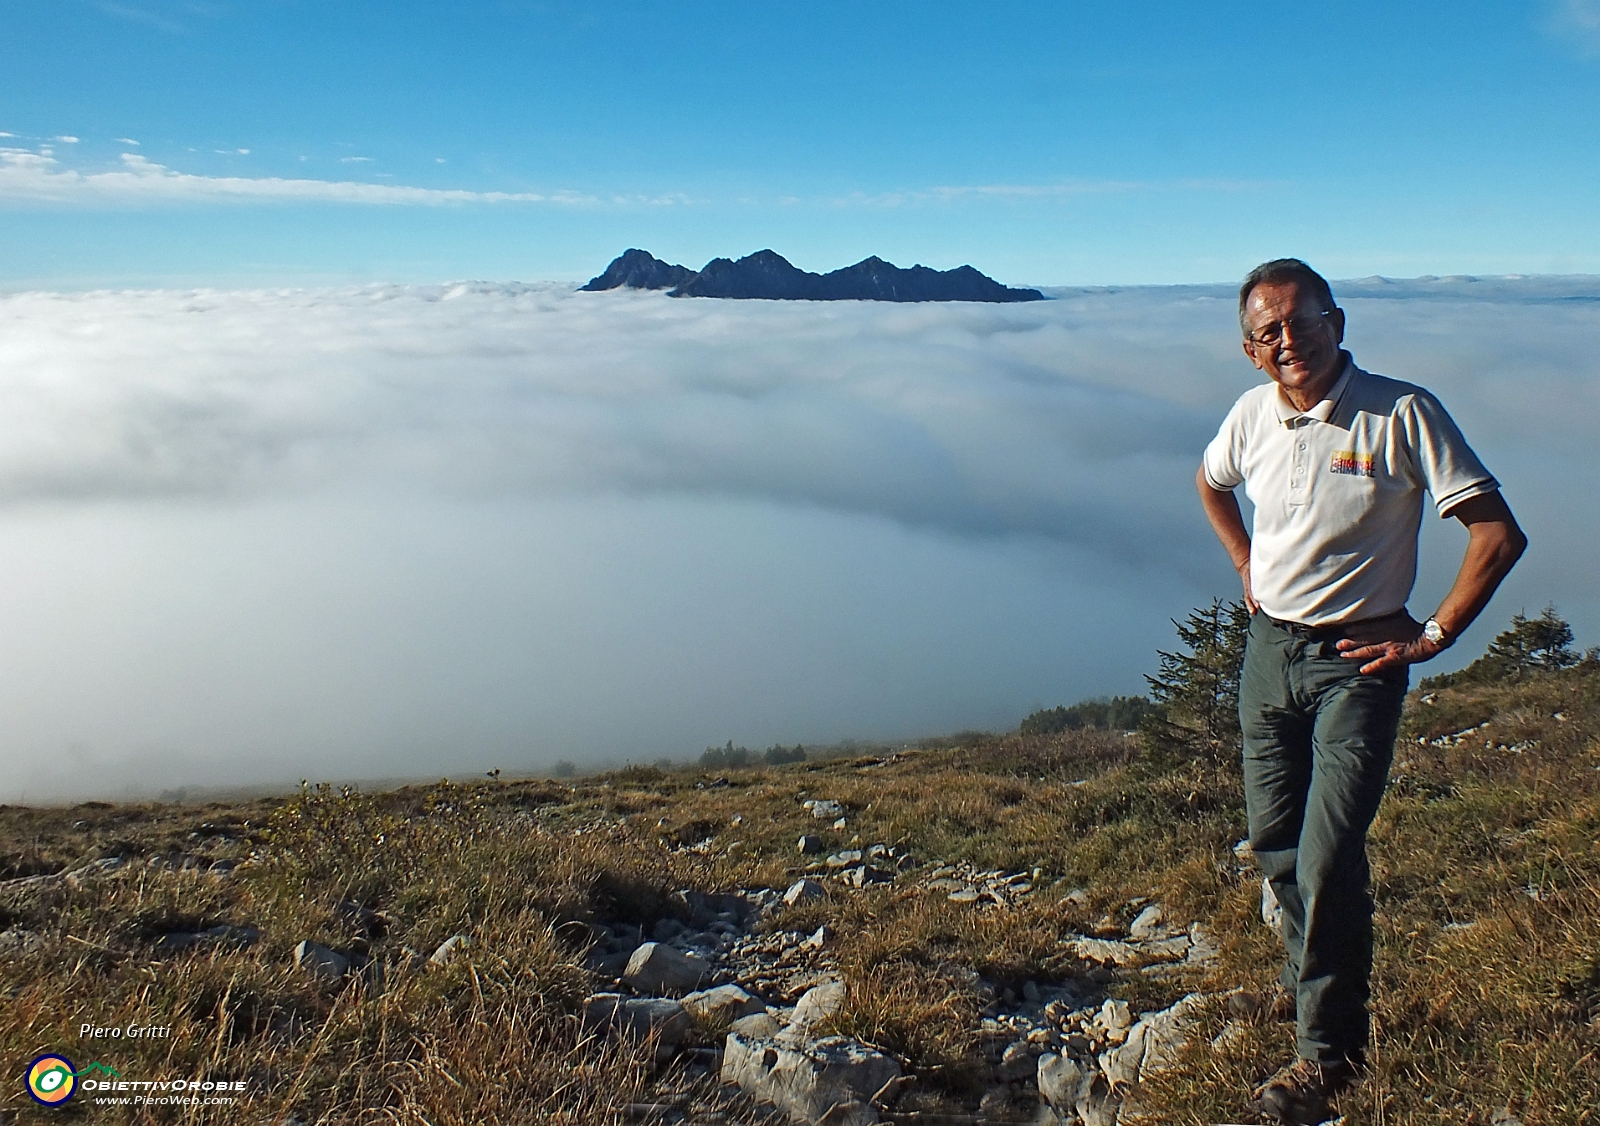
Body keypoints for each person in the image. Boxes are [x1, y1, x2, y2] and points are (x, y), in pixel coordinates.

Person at [1197, 259, 1526, 1124]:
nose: (1288, 341)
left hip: (1360, 661)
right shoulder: (1250, 415)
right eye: (1269, 331)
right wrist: (1244, 562)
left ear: (1337, 322)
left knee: (1328, 856)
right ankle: (1317, 997)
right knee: (1275, 844)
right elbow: (1210, 481)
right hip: (1268, 652)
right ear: (1248, 349)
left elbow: (1496, 533)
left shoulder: (1402, 412)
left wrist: (1432, 637)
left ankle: (1327, 1056)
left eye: (1302, 322)